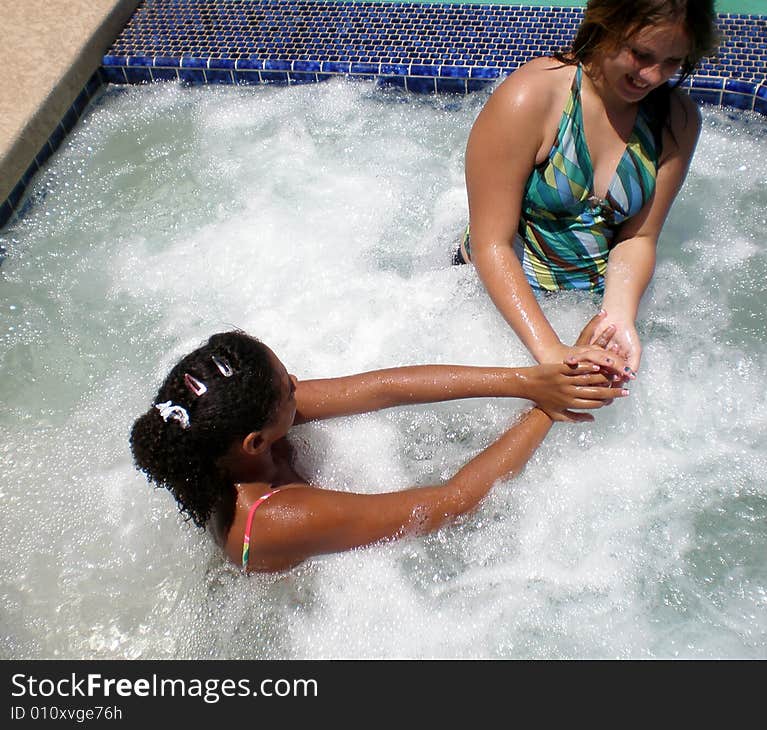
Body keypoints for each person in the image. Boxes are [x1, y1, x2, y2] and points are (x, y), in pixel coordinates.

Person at [130, 314, 630, 573]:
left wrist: (533, 380)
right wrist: (552, 408)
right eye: (289, 387)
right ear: (254, 443)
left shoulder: (216, 435)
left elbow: (382, 389)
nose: (299, 382)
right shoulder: (275, 520)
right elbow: (447, 506)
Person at [460, 0, 719, 373]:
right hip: (487, 299)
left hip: (585, 308)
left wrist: (618, 322)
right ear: (604, 23)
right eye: (640, 54)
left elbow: (639, 238)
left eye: (672, 62)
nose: (652, 76)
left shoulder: (676, 120)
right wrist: (551, 351)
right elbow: (491, 245)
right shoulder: (530, 99)